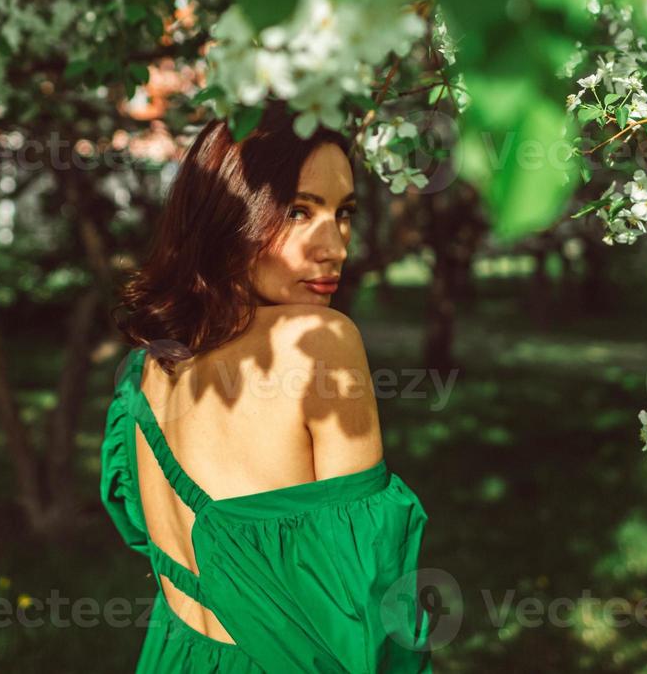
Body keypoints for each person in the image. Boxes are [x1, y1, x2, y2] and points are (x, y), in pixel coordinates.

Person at [101, 99, 434, 671]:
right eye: (300, 212)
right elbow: (370, 602)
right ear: (228, 215)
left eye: (344, 212)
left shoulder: (146, 370)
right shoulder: (319, 340)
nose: (336, 247)